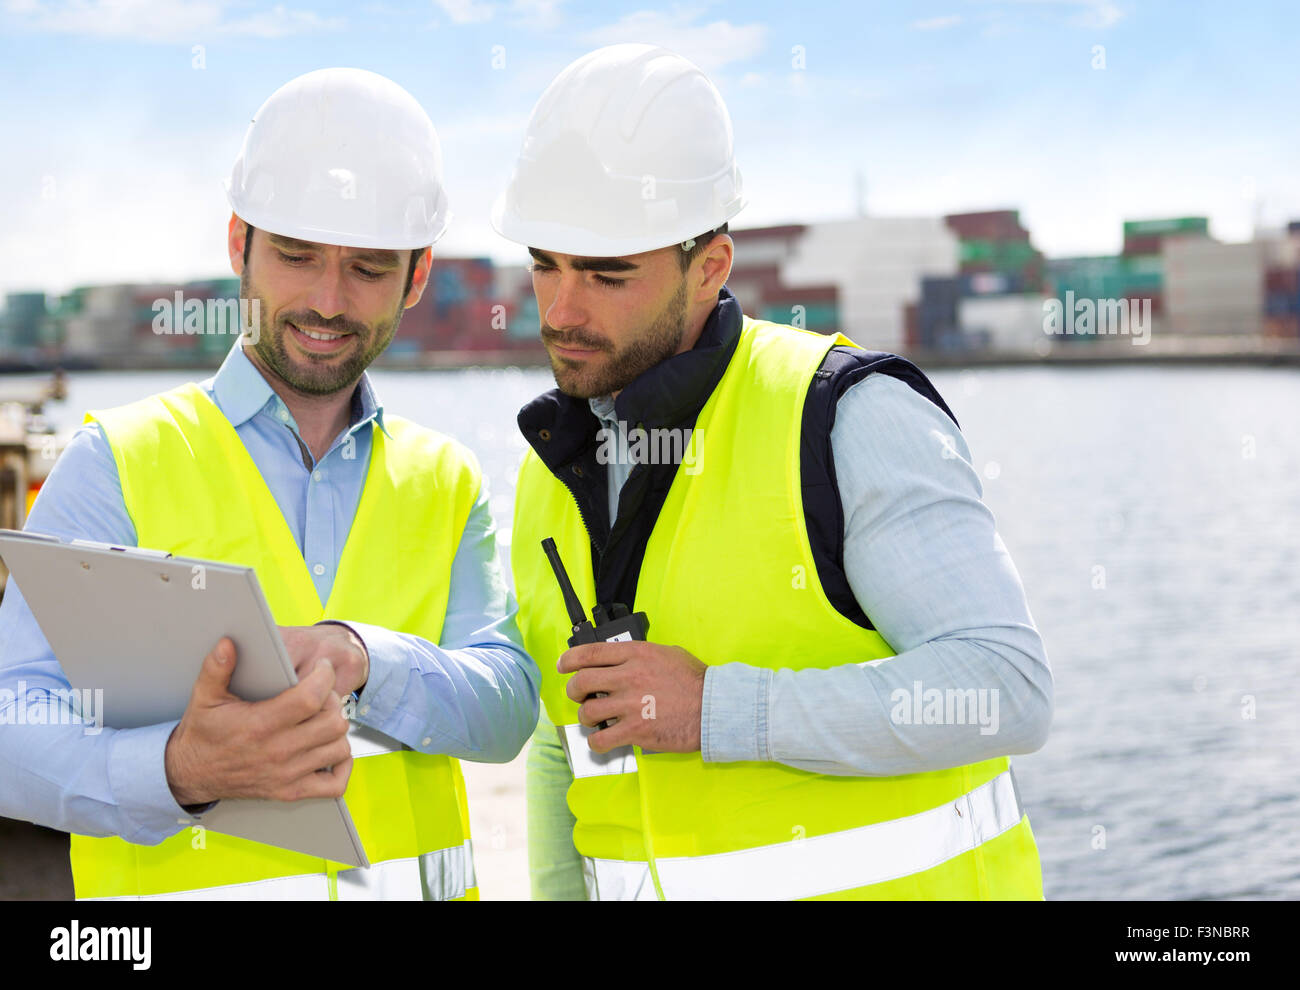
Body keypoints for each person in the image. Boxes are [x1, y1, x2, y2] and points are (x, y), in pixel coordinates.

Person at [493, 44, 1053, 900]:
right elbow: (559, 742)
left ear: (709, 267)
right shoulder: (549, 469)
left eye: (608, 275)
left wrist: (718, 709)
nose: (562, 311)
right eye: (546, 266)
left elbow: (1004, 689)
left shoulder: (847, 417)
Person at [0, 68, 538, 901]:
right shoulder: (116, 462)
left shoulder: (446, 477)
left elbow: (507, 708)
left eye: (366, 268)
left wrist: (366, 658)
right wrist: (176, 768)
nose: (327, 300)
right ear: (237, 243)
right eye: (296, 256)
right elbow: (11, 724)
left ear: (418, 275)